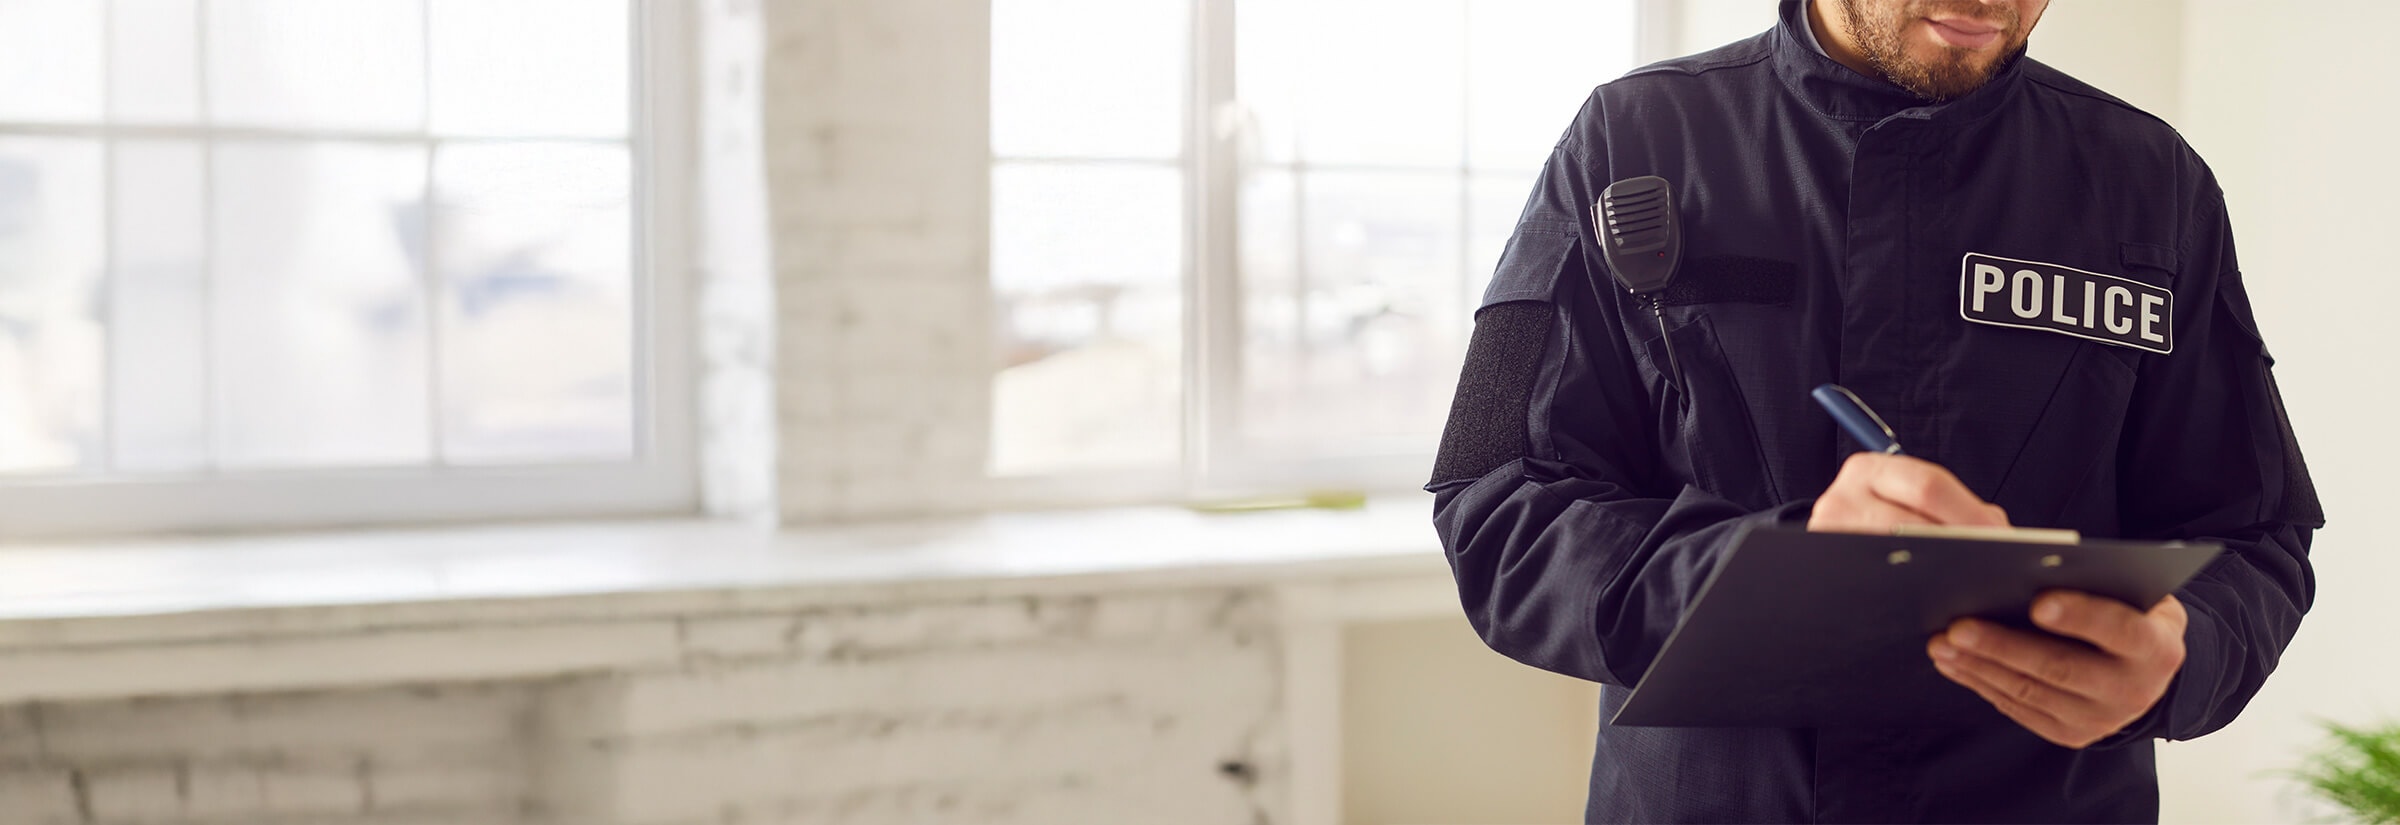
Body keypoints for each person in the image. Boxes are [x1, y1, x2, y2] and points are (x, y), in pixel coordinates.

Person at [1425, 0, 2323, 821]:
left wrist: (2182, 653)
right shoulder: (1629, 137)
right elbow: (1496, 502)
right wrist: (1772, 579)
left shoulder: (2155, 183)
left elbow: (2254, 534)